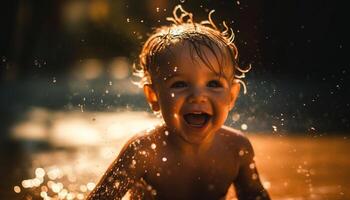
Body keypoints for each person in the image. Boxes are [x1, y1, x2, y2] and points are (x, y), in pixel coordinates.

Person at [87, 5, 270, 200]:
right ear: (154, 97)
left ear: (231, 96)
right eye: (180, 84)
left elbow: (255, 196)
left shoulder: (236, 149)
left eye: (213, 84)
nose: (198, 96)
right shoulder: (143, 152)